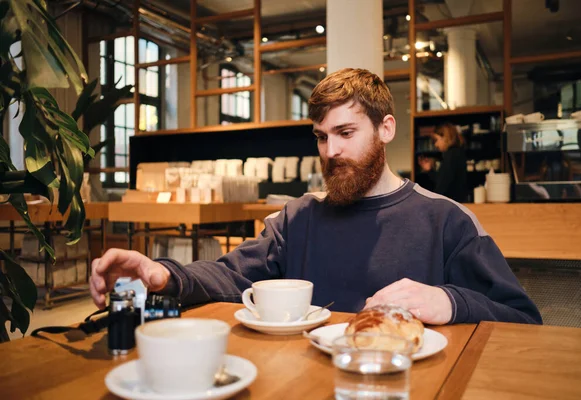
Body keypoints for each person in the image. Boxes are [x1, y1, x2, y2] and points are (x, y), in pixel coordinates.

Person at [90, 68, 542, 325]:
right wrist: (161, 275)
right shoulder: (298, 218)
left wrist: (449, 301)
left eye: (346, 133)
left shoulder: (446, 220)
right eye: (322, 137)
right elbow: (230, 275)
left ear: (386, 129)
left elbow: (524, 318)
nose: (332, 151)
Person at [418, 123, 468, 202]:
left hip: (450, 205)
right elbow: (443, 179)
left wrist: (433, 202)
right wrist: (430, 170)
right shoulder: (456, 153)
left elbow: (443, 186)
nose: (436, 144)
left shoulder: (451, 155)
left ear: (445, 137)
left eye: (436, 140)